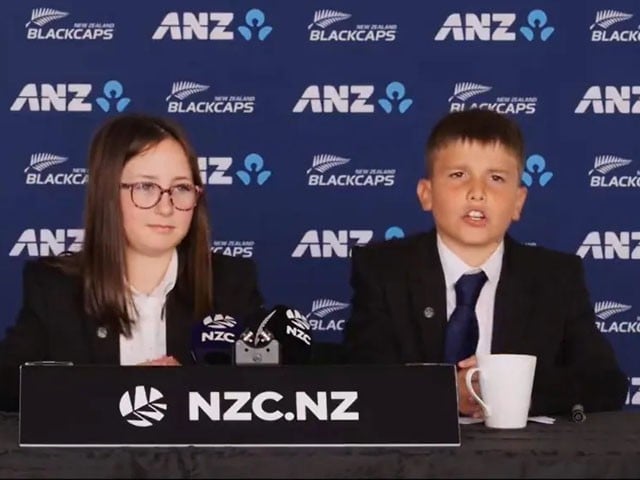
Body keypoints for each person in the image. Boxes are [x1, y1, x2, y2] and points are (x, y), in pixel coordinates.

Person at [343, 109, 628, 417]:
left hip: (523, 449)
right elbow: (362, 377)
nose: (477, 193)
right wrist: (444, 392)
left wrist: (509, 388)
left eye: (496, 178)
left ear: (518, 202)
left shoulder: (556, 278)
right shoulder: (383, 270)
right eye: (458, 175)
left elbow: (605, 383)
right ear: (427, 194)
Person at [0, 113, 263, 411]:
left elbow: (269, 390)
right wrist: (123, 387)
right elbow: (9, 386)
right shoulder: (55, 288)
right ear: (108, 193)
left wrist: (190, 388)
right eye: (146, 187)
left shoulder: (230, 283)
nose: (166, 207)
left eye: (181, 188)